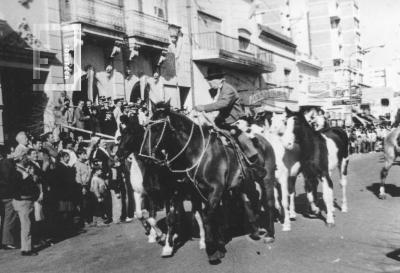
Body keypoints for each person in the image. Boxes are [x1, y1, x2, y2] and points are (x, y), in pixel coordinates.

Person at [193, 67, 265, 179]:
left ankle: (255, 163)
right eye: (209, 80)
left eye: (211, 80)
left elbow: (223, 104)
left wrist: (203, 107)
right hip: (225, 123)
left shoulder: (228, 90)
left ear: (220, 80)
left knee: (241, 138)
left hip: (236, 122)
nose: (209, 83)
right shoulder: (220, 91)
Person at [13, 160, 40, 256]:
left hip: (22, 201)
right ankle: (27, 249)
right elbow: (27, 187)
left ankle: (26, 247)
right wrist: (29, 176)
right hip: (24, 201)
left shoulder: (18, 172)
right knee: (26, 226)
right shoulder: (20, 174)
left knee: (25, 225)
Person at [0, 145, 18, 250]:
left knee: (4, 218)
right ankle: (7, 241)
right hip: (8, 194)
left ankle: (4, 240)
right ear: (6, 153)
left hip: (2, 194)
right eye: (12, 152)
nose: (13, 153)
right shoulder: (6, 163)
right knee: (9, 218)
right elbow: (9, 179)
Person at [75, 149, 92, 226]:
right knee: (83, 204)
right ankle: (83, 221)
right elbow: (78, 177)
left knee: (87, 203)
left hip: (87, 185)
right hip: (82, 186)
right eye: (83, 154)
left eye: (85, 154)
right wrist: (82, 187)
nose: (85, 155)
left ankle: (88, 219)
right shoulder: (77, 164)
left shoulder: (85, 164)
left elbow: (89, 174)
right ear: (79, 155)